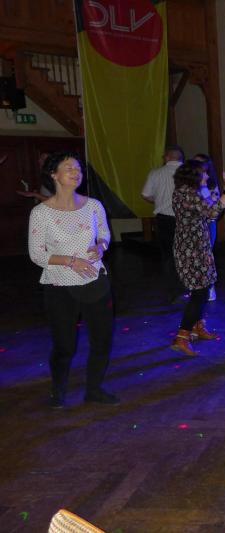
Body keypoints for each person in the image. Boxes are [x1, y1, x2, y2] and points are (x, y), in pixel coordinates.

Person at [27, 151, 119, 408]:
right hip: (59, 286)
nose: (76, 172)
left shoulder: (93, 206)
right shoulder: (41, 213)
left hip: (95, 281)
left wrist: (101, 246)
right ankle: (58, 392)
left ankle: (94, 390)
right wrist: (71, 261)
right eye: (69, 167)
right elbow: (37, 254)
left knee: (102, 341)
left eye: (78, 168)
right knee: (64, 346)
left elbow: (104, 234)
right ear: (54, 174)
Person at [170, 160, 225, 356]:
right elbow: (213, 212)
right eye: (203, 173)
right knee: (200, 292)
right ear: (194, 175)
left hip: (193, 246)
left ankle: (196, 326)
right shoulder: (189, 194)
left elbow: (206, 213)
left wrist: (210, 193)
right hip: (192, 249)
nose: (207, 176)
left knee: (201, 289)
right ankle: (182, 337)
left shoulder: (183, 192)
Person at [142, 145, 184, 303]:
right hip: (185, 219)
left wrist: (158, 199)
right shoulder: (188, 173)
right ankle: (187, 287)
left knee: (167, 255)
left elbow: (145, 194)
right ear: (181, 158)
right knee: (185, 254)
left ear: (166, 157)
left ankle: (172, 291)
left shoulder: (155, 173)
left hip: (164, 219)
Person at [191, 154, 222, 302]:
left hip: (207, 224)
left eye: (198, 164)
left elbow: (214, 206)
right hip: (193, 225)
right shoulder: (190, 184)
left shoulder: (210, 185)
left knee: (206, 256)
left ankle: (210, 288)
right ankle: (196, 288)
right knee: (194, 257)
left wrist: (204, 189)